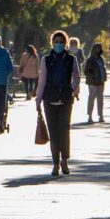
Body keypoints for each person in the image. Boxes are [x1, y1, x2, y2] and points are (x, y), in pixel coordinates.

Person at [36, 31, 81, 176]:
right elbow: (42, 80)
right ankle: (55, 163)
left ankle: (64, 160)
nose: (59, 44)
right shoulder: (46, 60)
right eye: (56, 41)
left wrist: (73, 89)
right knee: (54, 133)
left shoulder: (71, 59)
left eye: (61, 41)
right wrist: (38, 99)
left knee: (64, 131)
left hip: (66, 99)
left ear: (65, 43)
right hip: (49, 99)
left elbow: (77, 76)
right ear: (52, 43)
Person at [83, 43, 108, 124]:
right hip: (93, 82)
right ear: (94, 49)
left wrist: (104, 78)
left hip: (101, 81)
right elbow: (86, 71)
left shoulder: (101, 59)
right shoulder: (91, 60)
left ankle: (101, 116)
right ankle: (89, 116)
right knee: (92, 99)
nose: (99, 50)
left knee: (100, 100)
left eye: (100, 48)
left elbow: (102, 70)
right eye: (98, 48)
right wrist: (92, 77)